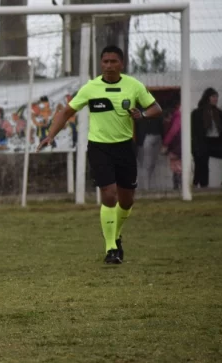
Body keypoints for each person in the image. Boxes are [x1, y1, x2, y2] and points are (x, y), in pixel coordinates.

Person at [38, 45, 162, 264]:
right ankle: (111, 248)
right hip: (99, 147)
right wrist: (50, 135)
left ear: (121, 64)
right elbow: (67, 111)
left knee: (126, 201)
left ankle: (116, 234)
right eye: (105, 61)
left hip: (124, 147)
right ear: (100, 63)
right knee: (109, 194)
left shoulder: (133, 86)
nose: (109, 65)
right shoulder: (91, 87)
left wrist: (141, 114)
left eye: (113, 61)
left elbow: (156, 109)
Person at [191, 88, 222, 187]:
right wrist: (196, 146)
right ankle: (200, 186)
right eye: (213, 97)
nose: (216, 99)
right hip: (202, 142)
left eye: (217, 97)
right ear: (207, 98)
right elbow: (195, 131)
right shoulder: (197, 113)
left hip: (215, 142)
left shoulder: (218, 112)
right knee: (201, 164)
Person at [162, 99, 182, 190]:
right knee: (176, 166)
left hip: (176, 146)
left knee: (176, 166)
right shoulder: (177, 117)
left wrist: (165, 144)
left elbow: (172, 132)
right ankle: (178, 184)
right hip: (177, 146)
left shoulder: (176, 117)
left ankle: (178, 185)